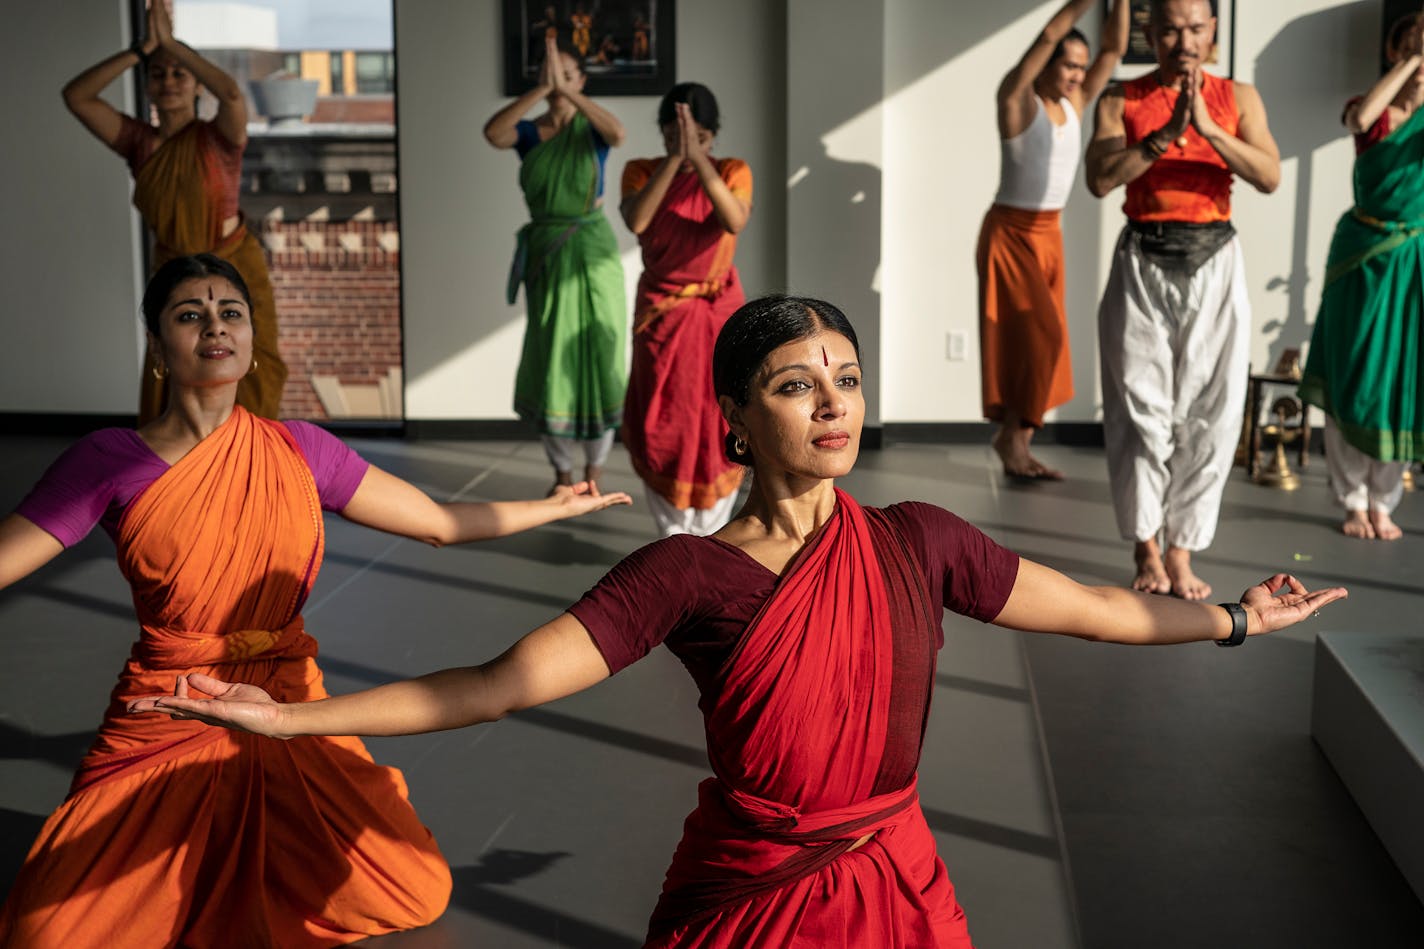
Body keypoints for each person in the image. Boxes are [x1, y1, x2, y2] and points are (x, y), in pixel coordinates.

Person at [129, 294, 1345, 947]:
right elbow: (494, 684)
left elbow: (1087, 610)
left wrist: (1233, 620)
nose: (831, 403)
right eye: (793, 383)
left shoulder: (919, 538)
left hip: (895, 883)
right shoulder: (686, 576)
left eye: (847, 379)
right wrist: (297, 722)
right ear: (732, 414)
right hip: (751, 899)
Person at [0, 255, 630, 948]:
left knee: (415, 887)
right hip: (170, 698)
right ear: (157, 346)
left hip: (288, 698)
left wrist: (548, 508)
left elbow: (438, 524)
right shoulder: (111, 459)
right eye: (190, 314)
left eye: (230, 312)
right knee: (44, 935)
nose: (215, 325)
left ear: (250, 337)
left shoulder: (300, 449)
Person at [1085, 0, 1280, 599]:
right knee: (1140, 416)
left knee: (1214, 415)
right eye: (1170, 28)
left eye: (1196, 28)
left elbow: (1269, 176)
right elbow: (1099, 178)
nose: (1184, 40)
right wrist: (1168, 134)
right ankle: (1146, 548)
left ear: (1212, 30)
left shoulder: (1238, 96)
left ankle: (1181, 551)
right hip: (1143, 258)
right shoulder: (1121, 98)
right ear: (1150, 32)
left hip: (1215, 258)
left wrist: (1209, 128)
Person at [62, 1, 288, 425]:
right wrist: (142, 49)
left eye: (179, 73)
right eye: (159, 74)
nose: (169, 81)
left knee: (249, 369)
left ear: (197, 84)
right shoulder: (138, 143)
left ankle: (245, 466)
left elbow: (233, 95)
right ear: (147, 86)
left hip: (234, 264)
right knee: (174, 372)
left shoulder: (218, 136)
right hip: (173, 272)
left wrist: (171, 45)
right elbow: (76, 96)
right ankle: (177, 475)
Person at [979, 0, 1129, 480]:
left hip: (1050, 233)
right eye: (1068, 65)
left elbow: (1116, 46)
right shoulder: (1018, 100)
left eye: (1081, 68)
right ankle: (1012, 441)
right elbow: (1047, 34)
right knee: (1037, 336)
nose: (1075, 75)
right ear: (1047, 63)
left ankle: (1015, 440)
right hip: (1011, 234)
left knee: (1044, 343)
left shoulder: (1075, 103)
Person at [1299, 12, 1424, 541]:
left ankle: (1383, 500)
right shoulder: (1370, 108)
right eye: (1417, 40)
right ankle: (1351, 497)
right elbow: (1359, 119)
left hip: (1413, 258)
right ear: (1398, 48)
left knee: (1401, 378)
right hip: (1361, 252)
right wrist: (1412, 63)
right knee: (1355, 374)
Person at [485, 36, 629, 493]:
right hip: (548, 252)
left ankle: (595, 472)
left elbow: (618, 134)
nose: (559, 85)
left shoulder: (591, 131)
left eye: (569, 76)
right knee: (552, 357)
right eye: (552, 77)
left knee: (600, 352)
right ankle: (563, 475)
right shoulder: (529, 134)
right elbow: (493, 133)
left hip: (594, 252)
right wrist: (542, 90)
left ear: (582, 80)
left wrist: (567, 93)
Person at [620, 83, 752, 535]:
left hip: (718, 315)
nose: (690, 141)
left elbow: (733, 219)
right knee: (664, 416)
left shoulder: (733, 170)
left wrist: (697, 160)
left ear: (713, 135)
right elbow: (637, 221)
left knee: (722, 414)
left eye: (700, 137)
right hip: (663, 317)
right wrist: (677, 160)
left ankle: (713, 537)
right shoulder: (640, 171)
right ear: (662, 132)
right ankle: (673, 539)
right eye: (676, 134)